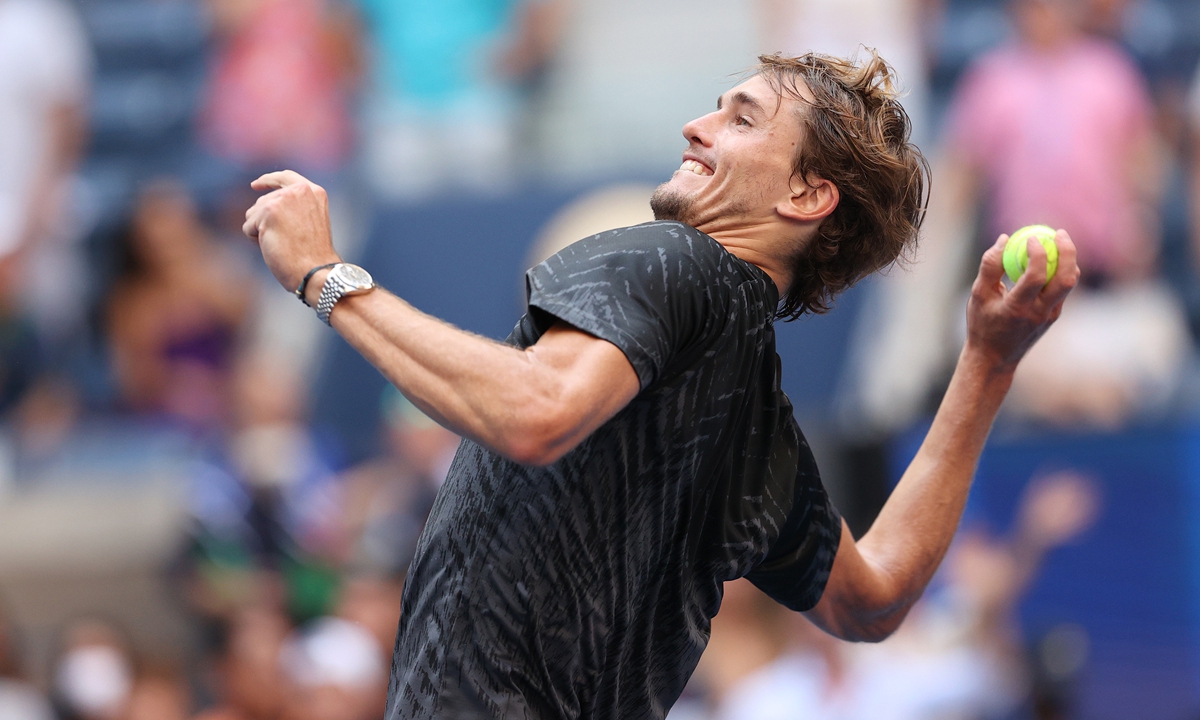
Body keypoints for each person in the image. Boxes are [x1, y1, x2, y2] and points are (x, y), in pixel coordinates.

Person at [241, 50, 1078, 719]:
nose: (697, 123)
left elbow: (537, 411)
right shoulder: (763, 433)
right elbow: (874, 601)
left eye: (740, 117)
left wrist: (325, 274)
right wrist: (989, 362)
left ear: (806, 193)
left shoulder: (673, 257)